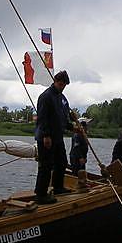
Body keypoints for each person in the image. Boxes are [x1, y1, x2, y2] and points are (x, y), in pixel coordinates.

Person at [34, 70, 74, 204]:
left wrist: (72, 127)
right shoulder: (46, 96)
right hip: (46, 137)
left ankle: (58, 187)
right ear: (55, 81)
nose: (62, 87)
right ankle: (40, 194)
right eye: (61, 84)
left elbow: (64, 117)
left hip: (58, 137)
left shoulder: (62, 98)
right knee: (46, 165)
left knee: (61, 162)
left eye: (64, 85)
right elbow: (42, 118)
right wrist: (46, 135)